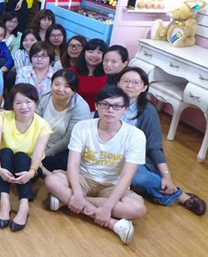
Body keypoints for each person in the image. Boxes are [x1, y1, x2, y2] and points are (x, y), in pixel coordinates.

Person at [44, 86, 147, 245]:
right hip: (83, 178)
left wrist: (108, 206)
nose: (110, 110)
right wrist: (77, 193)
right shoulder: (83, 127)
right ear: (97, 106)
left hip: (111, 185)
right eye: (105, 104)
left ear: (124, 110)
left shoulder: (136, 136)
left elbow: (127, 176)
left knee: (137, 209)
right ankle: (114, 224)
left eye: (117, 106)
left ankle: (65, 201)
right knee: (51, 181)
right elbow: (73, 163)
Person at [115, 67, 207, 215]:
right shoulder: (108, 102)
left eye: (136, 82)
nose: (130, 86)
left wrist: (167, 176)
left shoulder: (148, 111)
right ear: (118, 83)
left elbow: (154, 147)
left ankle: (179, 195)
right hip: (105, 152)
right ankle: (162, 194)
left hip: (133, 158)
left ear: (144, 87)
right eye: (125, 81)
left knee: (139, 177)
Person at [0, 83, 52, 231]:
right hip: (2, 165)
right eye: (18, 102)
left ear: (35, 103)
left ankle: (24, 206)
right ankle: (5, 203)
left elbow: (38, 154)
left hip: (29, 169)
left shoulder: (43, 125)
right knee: (5, 152)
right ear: (12, 104)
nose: (23, 106)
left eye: (28, 102)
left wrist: (31, 172)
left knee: (21, 156)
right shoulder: (2, 117)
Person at [35, 69, 91, 172]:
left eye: (67, 86)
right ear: (51, 84)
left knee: (59, 162)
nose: (60, 89)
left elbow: (67, 140)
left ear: (74, 89)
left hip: (62, 149)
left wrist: (44, 154)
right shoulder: (45, 98)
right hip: (40, 143)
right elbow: (34, 125)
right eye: (57, 84)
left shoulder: (81, 108)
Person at [71, 38, 108, 111]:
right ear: (84, 52)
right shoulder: (71, 72)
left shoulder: (108, 75)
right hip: (73, 111)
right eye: (90, 51)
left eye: (99, 52)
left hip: (97, 114)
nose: (94, 55)